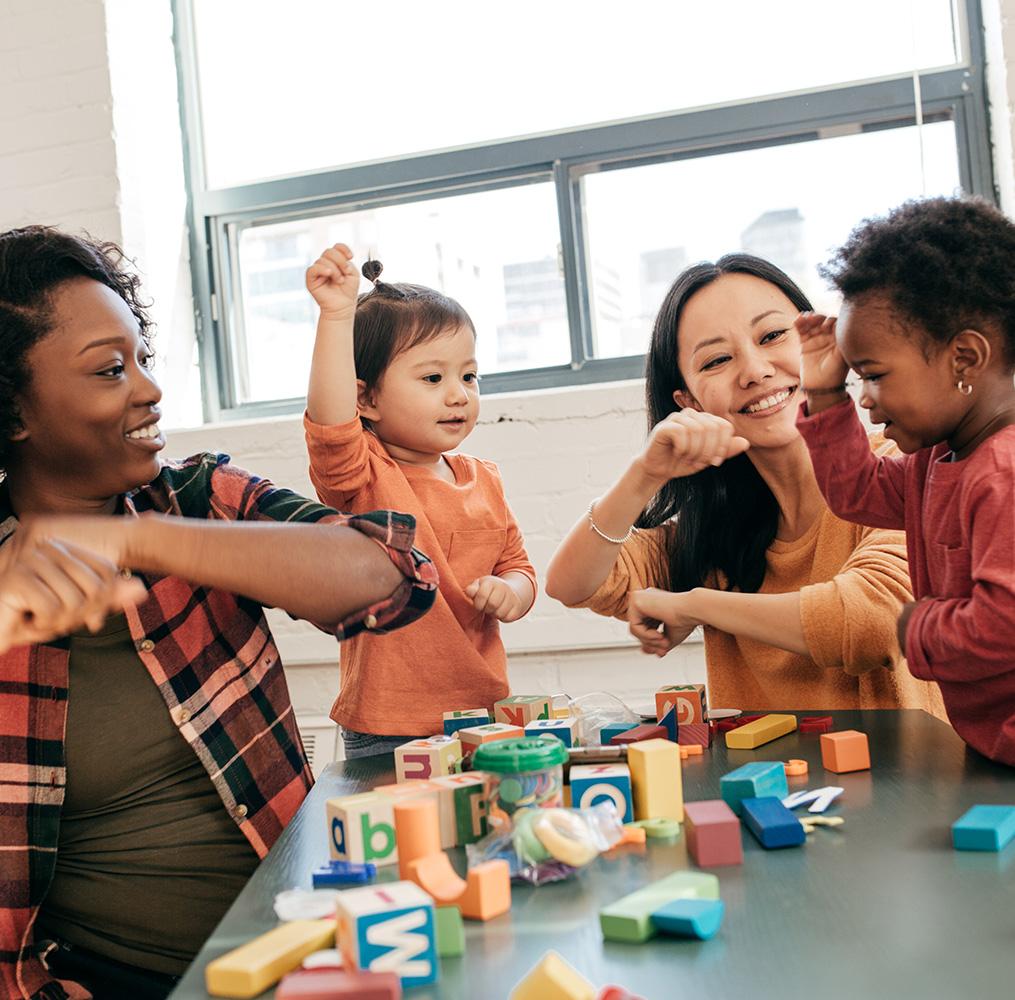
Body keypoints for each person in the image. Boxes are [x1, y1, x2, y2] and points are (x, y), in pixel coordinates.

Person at [0, 226, 437, 1000]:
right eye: (109, 370)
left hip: (311, 948)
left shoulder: (195, 501)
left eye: (143, 359)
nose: (149, 389)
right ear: (13, 415)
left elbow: (390, 573)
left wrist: (140, 538)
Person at [546, 253, 943, 716]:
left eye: (773, 335)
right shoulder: (711, 531)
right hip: (762, 790)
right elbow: (571, 585)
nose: (754, 370)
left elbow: (875, 621)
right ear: (690, 400)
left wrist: (696, 605)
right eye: (717, 359)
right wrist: (645, 474)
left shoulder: (901, 469)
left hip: (909, 786)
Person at [796, 196, 1015, 765]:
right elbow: (857, 491)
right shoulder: (937, 457)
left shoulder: (1004, 472)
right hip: (991, 740)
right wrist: (824, 393)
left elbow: (1002, 623)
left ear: (963, 358)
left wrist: (913, 626)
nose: (865, 396)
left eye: (874, 375)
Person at [303, 245, 536, 756]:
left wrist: (511, 591)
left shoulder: (485, 480)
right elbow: (330, 423)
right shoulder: (362, 476)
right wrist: (337, 317)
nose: (458, 395)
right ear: (366, 399)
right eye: (433, 378)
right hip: (389, 726)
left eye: (469, 376)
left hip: (483, 714)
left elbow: (519, 567)